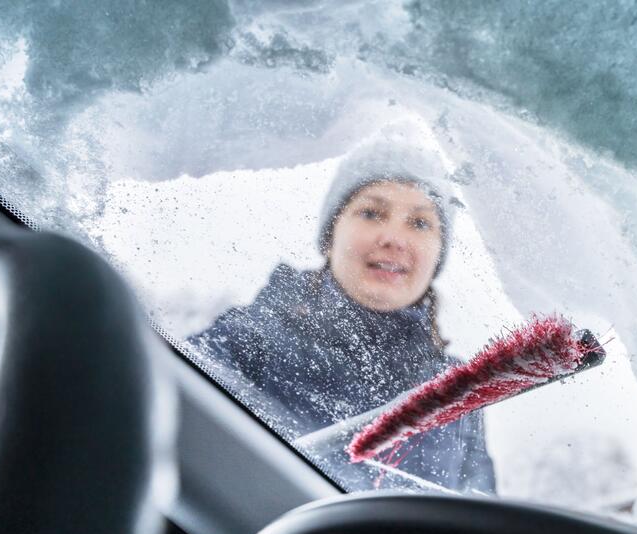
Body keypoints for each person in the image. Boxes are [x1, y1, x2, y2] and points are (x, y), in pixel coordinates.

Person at [186, 140, 496, 493]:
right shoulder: (249, 338)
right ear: (331, 234)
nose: (395, 238)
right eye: (372, 213)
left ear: (438, 255)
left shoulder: (458, 395)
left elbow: (478, 521)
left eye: (420, 223)